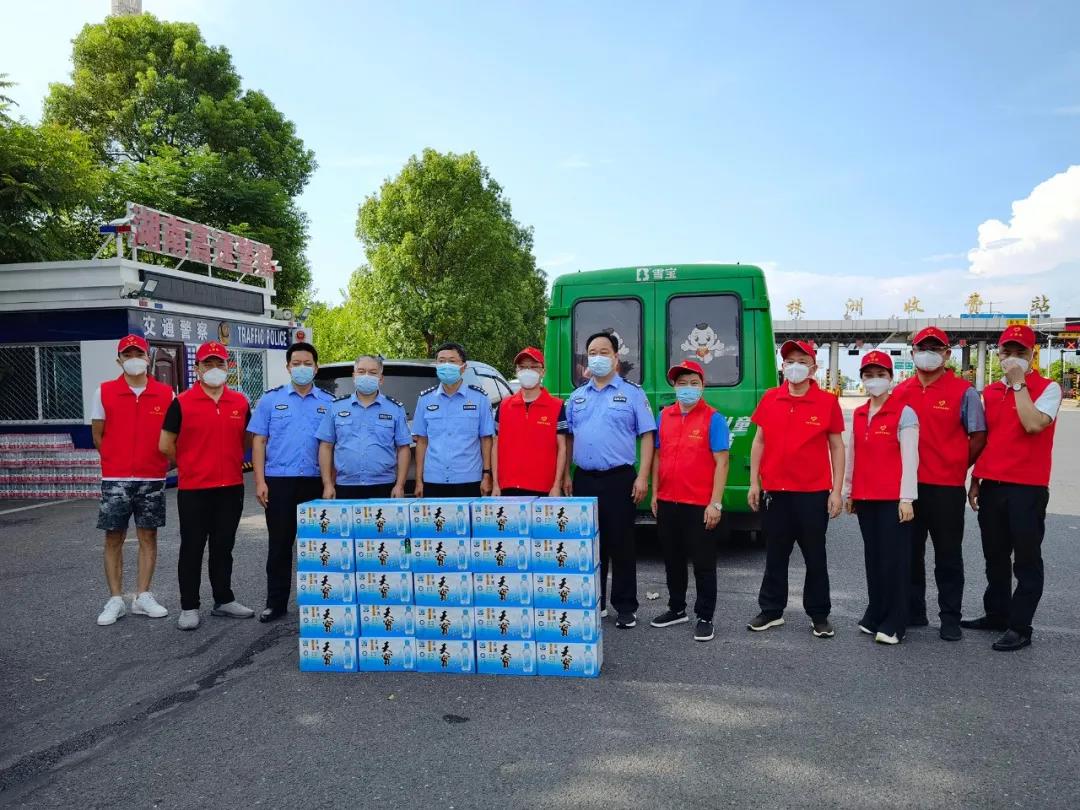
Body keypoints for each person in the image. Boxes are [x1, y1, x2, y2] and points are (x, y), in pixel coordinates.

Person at [965, 325, 1061, 651]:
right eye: (1007, 352)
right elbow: (988, 439)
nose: (1013, 358)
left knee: (1026, 560)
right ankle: (997, 614)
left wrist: (1019, 384)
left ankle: (1020, 627)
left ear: (1032, 355)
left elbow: (1033, 424)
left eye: (1021, 352)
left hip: (1027, 488)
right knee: (994, 556)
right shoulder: (991, 392)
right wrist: (976, 477)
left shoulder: (1048, 388)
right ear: (999, 353)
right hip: (992, 485)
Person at [747, 340, 845, 639]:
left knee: (815, 556)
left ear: (813, 367)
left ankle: (819, 614)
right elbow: (759, 441)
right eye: (789, 361)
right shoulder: (770, 398)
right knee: (776, 555)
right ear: (783, 366)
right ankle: (771, 610)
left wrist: (836, 490)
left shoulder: (827, 402)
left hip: (813, 493)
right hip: (776, 492)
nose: (795, 366)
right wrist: (754, 482)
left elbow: (837, 446)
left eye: (801, 361)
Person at [893, 326, 985, 641]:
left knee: (948, 555)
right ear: (913, 353)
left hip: (946, 487)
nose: (928, 353)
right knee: (909, 552)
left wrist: (956, 463)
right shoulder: (900, 392)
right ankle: (914, 610)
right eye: (923, 348)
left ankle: (950, 618)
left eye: (935, 348)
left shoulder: (964, 392)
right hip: (908, 489)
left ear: (947, 354)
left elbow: (978, 436)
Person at [563, 331, 656, 629]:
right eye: (592, 353)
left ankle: (626, 607)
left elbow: (647, 435)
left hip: (620, 478)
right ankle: (596, 601)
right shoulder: (577, 397)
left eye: (604, 352)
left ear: (616, 358)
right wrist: (565, 476)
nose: (598, 357)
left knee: (622, 543)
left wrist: (643, 477)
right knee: (590, 545)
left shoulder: (633, 394)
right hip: (584, 479)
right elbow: (567, 439)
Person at [159, 341, 254, 631]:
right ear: (197, 368)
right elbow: (165, 444)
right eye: (208, 363)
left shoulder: (240, 402)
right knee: (192, 548)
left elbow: (247, 440)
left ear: (228, 367)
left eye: (219, 363)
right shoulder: (182, 403)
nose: (214, 368)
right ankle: (189, 606)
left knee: (224, 547)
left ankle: (224, 599)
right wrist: (189, 463)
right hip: (194, 489)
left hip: (231, 487)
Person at [248, 342, 335, 623]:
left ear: (316, 368)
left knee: (319, 547)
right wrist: (260, 481)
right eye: (296, 364)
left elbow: (332, 446)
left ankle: (321, 603)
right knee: (280, 546)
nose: (302, 368)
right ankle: (275, 603)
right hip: (279, 482)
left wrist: (330, 483)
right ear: (288, 367)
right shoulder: (270, 400)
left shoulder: (329, 403)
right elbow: (259, 442)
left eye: (307, 364)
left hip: (315, 482)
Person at [91, 334, 173, 626]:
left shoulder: (165, 394)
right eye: (128, 355)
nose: (134, 359)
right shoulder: (104, 392)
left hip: (152, 477)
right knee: (113, 537)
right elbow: (98, 435)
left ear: (148, 358)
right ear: (119, 360)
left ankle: (142, 596)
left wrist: (160, 463)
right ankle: (115, 599)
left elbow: (171, 435)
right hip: (116, 478)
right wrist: (115, 460)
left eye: (139, 354)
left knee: (148, 536)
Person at [648, 360, 730, 642]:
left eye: (693, 383)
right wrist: (655, 493)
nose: (688, 388)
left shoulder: (714, 419)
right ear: (674, 386)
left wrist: (715, 503)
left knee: (704, 564)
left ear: (703, 386)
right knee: (672, 559)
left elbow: (722, 463)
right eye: (682, 383)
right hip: (668, 501)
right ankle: (676, 608)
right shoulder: (664, 416)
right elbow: (657, 456)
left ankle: (705, 616)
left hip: (699, 504)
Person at [842, 351, 919, 645]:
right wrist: (850, 491)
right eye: (869, 375)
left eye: (880, 375)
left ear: (891, 378)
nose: (874, 380)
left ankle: (895, 622)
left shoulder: (904, 412)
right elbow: (853, 454)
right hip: (865, 497)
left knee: (894, 561)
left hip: (892, 499)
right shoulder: (860, 413)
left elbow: (910, 459)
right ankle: (875, 613)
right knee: (873, 558)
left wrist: (907, 498)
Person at [316, 354, 411, 499]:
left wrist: (400, 485)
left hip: (384, 485)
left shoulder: (395, 409)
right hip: (345, 486)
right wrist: (327, 484)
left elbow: (403, 448)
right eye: (361, 371)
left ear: (381, 379)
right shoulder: (336, 407)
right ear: (354, 376)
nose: (366, 376)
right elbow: (326, 446)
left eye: (372, 372)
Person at [412, 342, 496, 498]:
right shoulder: (425, 399)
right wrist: (418, 480)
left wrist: (487, 474)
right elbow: (422, 442)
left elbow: (486, 440)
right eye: (441, 361)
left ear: (463, 367)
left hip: (470, 478)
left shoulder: (479, 398)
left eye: (452, 361)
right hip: (433, 479)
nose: (446, 365)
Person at [491, 347, 568, 497]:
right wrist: (495, 484)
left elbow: (562, 448)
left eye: (533, 367)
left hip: (544, 487)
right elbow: (495, 445)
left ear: (543, 372)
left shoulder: (556, 406)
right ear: (516, 371)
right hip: (508, 486)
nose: (527, 371)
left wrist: (556, 484)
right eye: (522, 367)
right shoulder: (504, 406)